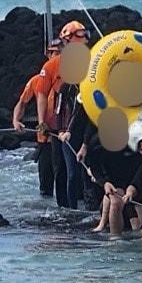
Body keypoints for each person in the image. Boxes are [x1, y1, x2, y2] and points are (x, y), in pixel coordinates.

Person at [48, 20, 91, 210]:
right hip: (67, 133)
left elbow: (83, 108)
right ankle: (70, 208)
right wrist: (59, 131)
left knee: (87, 171)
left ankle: (87, 206)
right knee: (69, 172)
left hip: (86, 130)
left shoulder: (88, 79)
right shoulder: (65, 86)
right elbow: (60, 109)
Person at [12, 40, 61, 198]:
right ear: (48, 54)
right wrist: (16, 120)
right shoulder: (36, 80)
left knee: (66, 179)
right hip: (44, 138)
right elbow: (22, 103)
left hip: (63, 136)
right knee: (45, 185)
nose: (58, 56)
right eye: (54, 52)